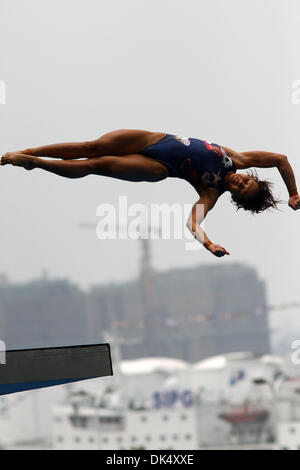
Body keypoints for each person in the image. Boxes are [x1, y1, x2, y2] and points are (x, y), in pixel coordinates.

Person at [2, 129, 300, 257]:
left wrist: (209, 245)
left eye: (241, 190)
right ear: (250, 176)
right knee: (89, 147)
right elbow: (280, 160)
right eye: (246, 182)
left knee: (95, 165)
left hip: (156, 165)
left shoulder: (210, 191)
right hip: (154, 137)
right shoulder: (238, 158)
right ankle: (27, 152)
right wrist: (294, 193)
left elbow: (192, 223)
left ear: (235, 197)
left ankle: (35, 163)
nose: (239, 183)